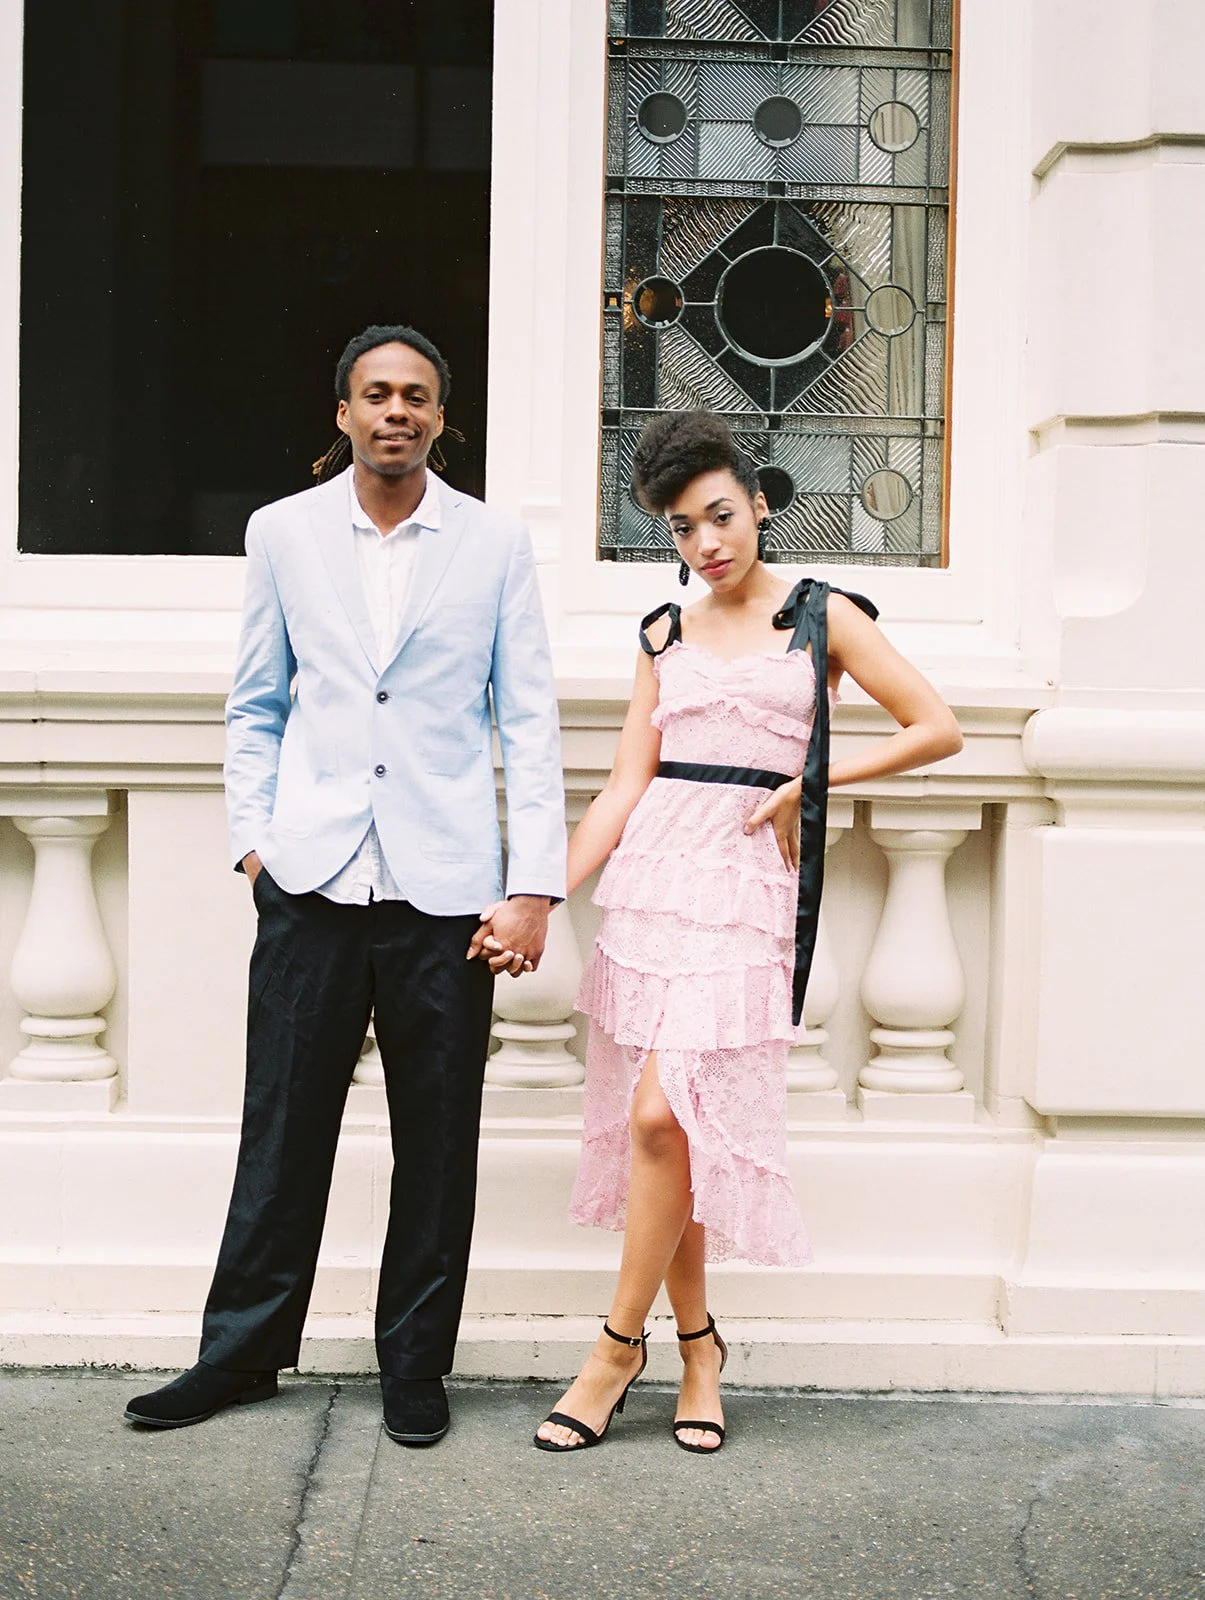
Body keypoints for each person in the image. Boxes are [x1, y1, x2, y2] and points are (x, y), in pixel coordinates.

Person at [124, 325, 566, 1444]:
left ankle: (414, 1367)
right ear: (343, 412)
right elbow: (254, 703)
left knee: (437, 1144)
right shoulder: (282, 532)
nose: (395, 411)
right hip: (311, 880)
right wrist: (255, 845)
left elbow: (527, 722)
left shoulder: (493, 542)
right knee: (281, 1132)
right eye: (376, 394)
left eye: (415, 395)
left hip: (445, 894)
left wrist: (531, 887)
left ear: (440, 417)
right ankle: (239, 1355)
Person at [533, 410, 962, 1454]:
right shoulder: (662, 633)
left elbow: (935, 727)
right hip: (653, 881)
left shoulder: (823, 615)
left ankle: (612, 1351)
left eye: (719, 515)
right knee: (664, 1130)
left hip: (743, 888)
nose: (705, 543)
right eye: (681, 528)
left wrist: (807, 781)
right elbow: (624, 784)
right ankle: (697, 1349)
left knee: (661, 1112)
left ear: (759, 503)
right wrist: (538, 894)